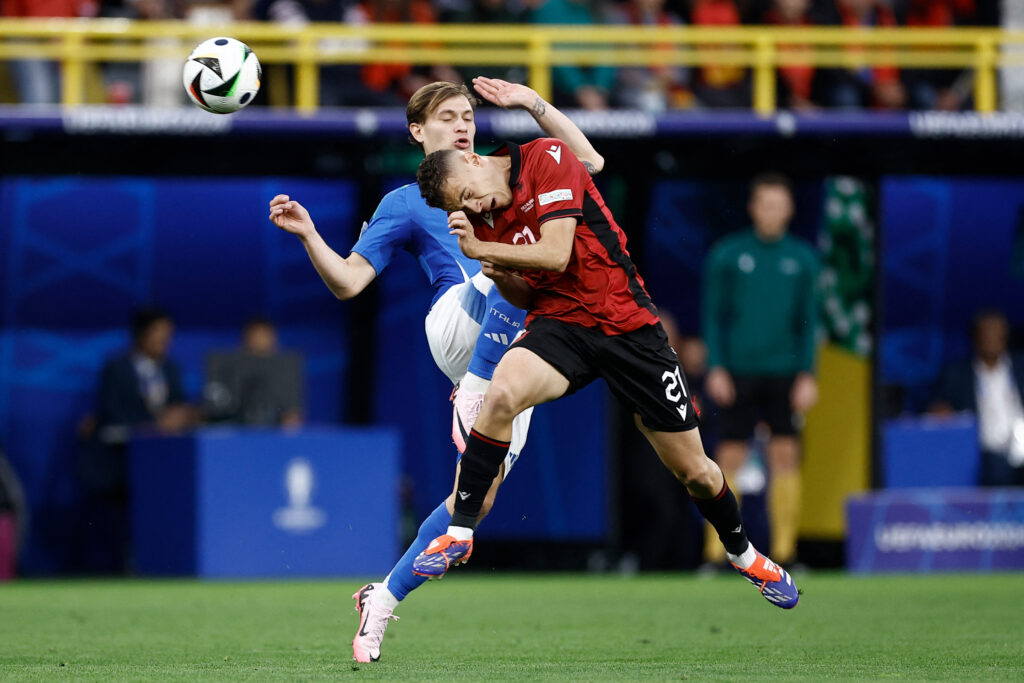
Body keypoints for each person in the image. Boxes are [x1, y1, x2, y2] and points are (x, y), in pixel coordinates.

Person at [268, 78, 604, 662]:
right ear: (418, 132)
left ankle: (382, 600)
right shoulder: (406, 200)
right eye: (447, 116)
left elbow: (590, 162)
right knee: (509, 255)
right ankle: (474, 389)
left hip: (512, 342)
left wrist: (532, 104)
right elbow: (349, 282)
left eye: (468, 113)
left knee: (476, 498)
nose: (463, 123)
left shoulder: (507, 171)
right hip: (456, 325)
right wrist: (309, 234)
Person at [412, 139, 800, 612]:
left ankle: (745, 554)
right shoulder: (484, 220)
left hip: (628, 329)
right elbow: (526, 297)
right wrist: (497, 267)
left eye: (467, 194)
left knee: (695, 471)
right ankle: (460, 533)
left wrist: (484, 248)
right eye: (462, 207)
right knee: (503, 393)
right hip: (562, 322)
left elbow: (556, 254)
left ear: (474, 160)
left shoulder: (546, 158)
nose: (474, 207)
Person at [701, 173, 819, 570]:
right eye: (764, 204)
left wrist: (807, 373)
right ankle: (718, 555)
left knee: (785, 456)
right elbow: (713, 317)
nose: (770, 212)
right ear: (752, 208)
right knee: (728, 457)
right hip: (737, 372)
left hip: (785, 372)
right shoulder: (728, 255)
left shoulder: (802, 259)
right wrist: (716, 366)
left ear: (789, 209)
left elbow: (809, 321)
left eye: (778, 204)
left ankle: (786, 552)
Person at [930, 309, 1024, 486]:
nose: (991, 339)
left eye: (997, 333)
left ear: (1006, 336)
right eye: (986, 334)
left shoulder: (1021, 367)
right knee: (998, 470)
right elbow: (936, 407)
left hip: (1021, 444)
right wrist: (941, 411)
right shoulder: (956, 375)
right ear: (975, 338)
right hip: (986, 451)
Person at [203, 317, 305, 428]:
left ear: (274, 341)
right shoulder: (226, 368)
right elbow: (215, 405)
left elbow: (292, 412)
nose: (259, 343)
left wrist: (290, 422)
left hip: (274, 432)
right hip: (232, 428)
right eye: (255, 338)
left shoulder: (286, 370)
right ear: (244, 341)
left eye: (264, 338)